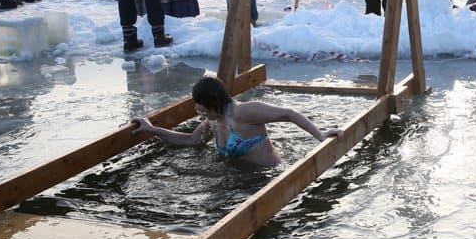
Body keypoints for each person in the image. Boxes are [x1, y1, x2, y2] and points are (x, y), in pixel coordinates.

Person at [131, 76, 342, 167]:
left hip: (271, 175)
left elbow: (288, 113)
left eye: (200, 104)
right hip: (243, 180)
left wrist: (321, 135)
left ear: (213, 102)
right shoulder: (212, 122)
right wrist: (152, 129)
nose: (197, 109)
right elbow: (190, 140)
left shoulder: (244, 112)